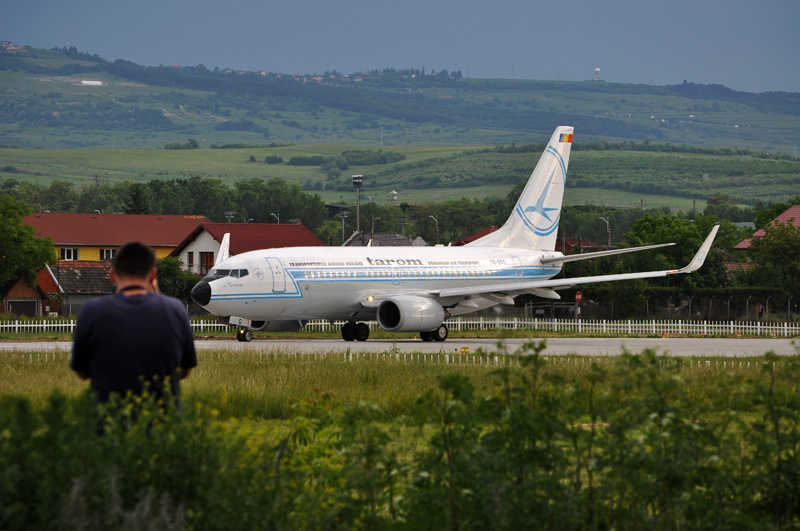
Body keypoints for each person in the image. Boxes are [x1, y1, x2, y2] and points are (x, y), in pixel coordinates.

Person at [71, 241, 197, 412]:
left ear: (113, 276)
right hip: (164, 427)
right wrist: (159, 297)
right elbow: (184, 370)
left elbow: (81, 372)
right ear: (153, 276)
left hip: (109, 427)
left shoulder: (92, 311)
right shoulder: (175, 310)